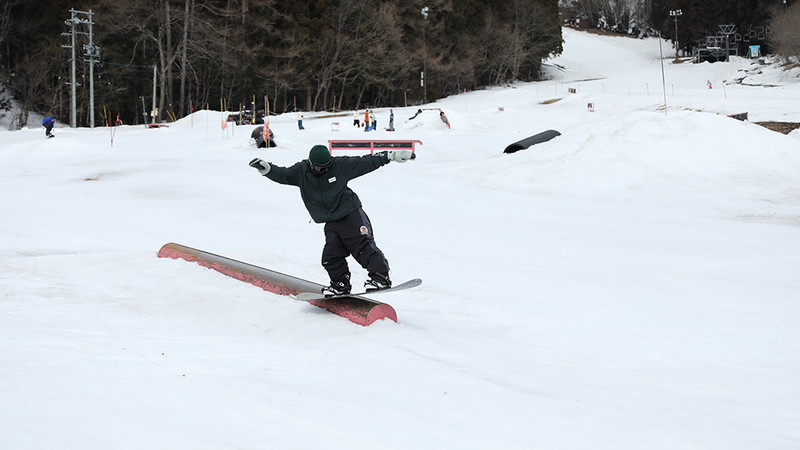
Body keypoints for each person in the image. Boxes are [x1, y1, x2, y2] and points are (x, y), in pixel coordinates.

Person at [249, 145, 414, 296]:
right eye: (320, 167)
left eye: (327, 166)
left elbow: (366, 162)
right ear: (311, 163)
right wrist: (268, 169)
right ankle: (340, 284)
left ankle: (381, 277)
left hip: (351, 214)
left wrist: (390, 155)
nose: (324, 170)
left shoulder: (339, 165)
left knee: (362, 247)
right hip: (331, 221)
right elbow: (283, 174)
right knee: (330, 256)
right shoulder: (302, 171)